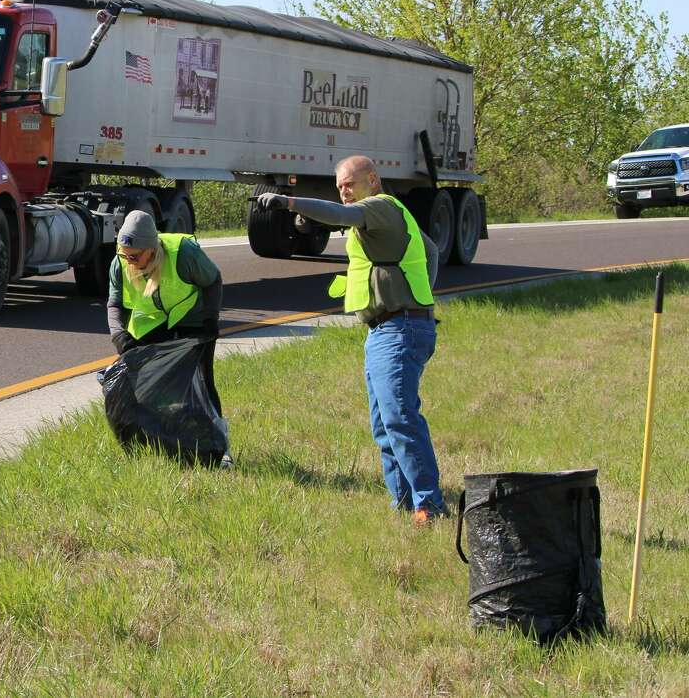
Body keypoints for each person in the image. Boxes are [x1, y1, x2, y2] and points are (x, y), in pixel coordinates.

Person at [255, 155, 446, 525]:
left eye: (349, 183)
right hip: (385, 329)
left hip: (401, 329)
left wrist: (290, 202)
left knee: (400, 418)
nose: (343, 191)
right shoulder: (386, 214)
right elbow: (432, 251)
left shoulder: (380, 207)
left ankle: (430, 506)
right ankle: (404, 503)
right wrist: (415, 294)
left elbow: (340, 216)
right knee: (384, 425)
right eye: (339, 185)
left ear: (372, 180)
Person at [107, 210, 230, 466]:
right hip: (152, 325)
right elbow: (115, 304)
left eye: (135, 256)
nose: (129, 260)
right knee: (143, 389)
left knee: (200, 384)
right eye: (124, 254)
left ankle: (218, 450)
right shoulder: (120, 262)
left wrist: (210, 321)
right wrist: (119, 334)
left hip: (193, 322)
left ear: (151, 249)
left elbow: (213, 280)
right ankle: (161, 446)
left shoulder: (183, 253)